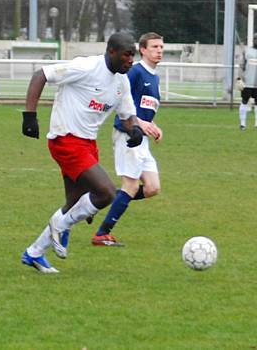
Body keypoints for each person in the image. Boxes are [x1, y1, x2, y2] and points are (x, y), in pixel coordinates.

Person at [19, 32, 145, 274]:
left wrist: (135, 130)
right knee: (106, 192)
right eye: (127, 55)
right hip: (65, 139)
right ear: (111, 52)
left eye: (134, 56)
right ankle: (60, 226)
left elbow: (127, 116)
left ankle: (33, 253)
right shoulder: (86, 67)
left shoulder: (122, 81)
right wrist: (30, 116)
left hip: (87, 144)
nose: (131, 61)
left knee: (74, 204)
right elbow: (41, 75)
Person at [91, 32, 164, 246]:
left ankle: (98, 202)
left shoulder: (154, 76)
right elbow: (121, 104)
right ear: (142, 50)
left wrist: (152, 125)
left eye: (161, 47)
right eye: (154, 47)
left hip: (142, 138)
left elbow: (143, 108)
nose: (159, 51)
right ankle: (102, 234)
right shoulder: (134, 72)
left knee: (152, 187)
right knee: (131, 186)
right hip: (127, 135)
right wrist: (140, 124)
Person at [238, 33, 257, 130]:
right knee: (244, 102)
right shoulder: (247, 52)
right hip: (247, 84)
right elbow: (241, 66)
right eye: (255, 39)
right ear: (253, 40)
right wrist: (239, 79)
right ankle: (242, 124)